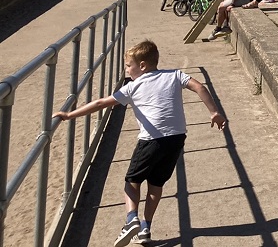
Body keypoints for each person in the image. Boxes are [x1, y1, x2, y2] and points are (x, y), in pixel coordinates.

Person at [52, 40, 226, 247]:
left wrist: (69, 114)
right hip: (176, 139)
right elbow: (199, 86)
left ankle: (130, 219)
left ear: (142, 65)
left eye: (128, 65)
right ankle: (145, 228)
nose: (126, 70)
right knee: (156, 184)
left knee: (131, 181)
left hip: (150, 140)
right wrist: (214, 112)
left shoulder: (133, 87)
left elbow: (100, 103)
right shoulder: (174, 75)